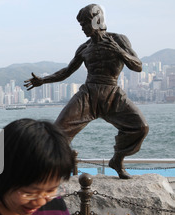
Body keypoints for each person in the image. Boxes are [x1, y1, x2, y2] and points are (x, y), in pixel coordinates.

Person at [24, 4, 149, 179]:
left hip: (112, 93)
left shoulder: (119, 40)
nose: (82, 28)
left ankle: (117, 160)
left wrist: (119, 51)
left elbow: (138, 66)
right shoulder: (84, 48)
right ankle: (51, 170)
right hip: (88, 95)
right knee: (59, 130)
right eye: (81, 24)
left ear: (97, 20)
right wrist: (43, 80)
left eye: (85, 23)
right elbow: (67, 71)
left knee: (140, 127)